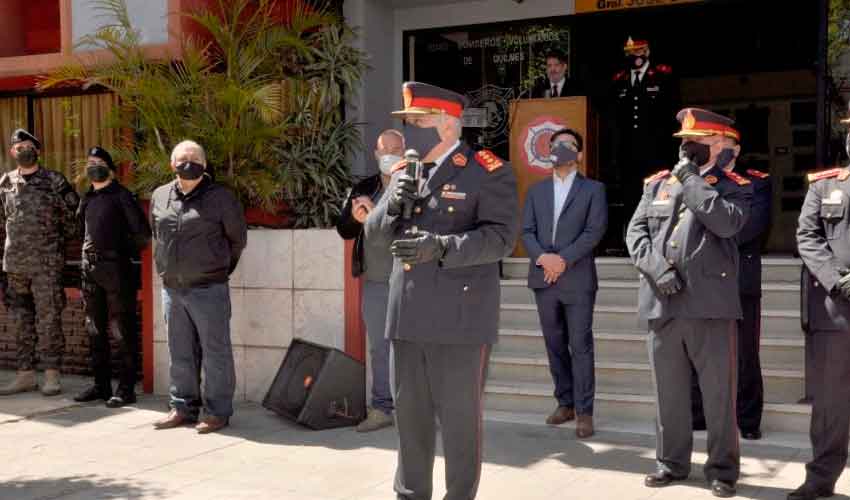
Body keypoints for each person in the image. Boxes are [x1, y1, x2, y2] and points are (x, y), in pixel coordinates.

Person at [365, 82, 519, 500]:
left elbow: (502, 238)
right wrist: (392, 205)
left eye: (419, 122)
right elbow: (374, 239)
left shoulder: (489, 171)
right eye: (409, 122)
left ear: (449, 126)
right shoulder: (403, 174)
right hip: (408, 318)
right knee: (410, 421)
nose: (410, 131)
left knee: (459, 424)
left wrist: (443, 247)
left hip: (460, 320)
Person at [626, 108, 752, 498]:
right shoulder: (657, 184)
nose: (684, 147)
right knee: (669, 393)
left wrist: (691, 179)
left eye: (692, 141)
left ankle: (722, 470)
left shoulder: (734, 185)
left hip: (709, 307)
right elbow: (635, 233)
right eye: (682, 141)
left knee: (717, 396)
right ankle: (671, 463)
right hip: (662, 304)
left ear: (715, 143)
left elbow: (726, 223)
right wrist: (657, 271)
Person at [150, 140, 247, 434]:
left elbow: (237, 240)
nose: (187, 162)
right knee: (180, 351)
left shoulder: (222, 198)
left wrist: (216, 269)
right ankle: (182, 407)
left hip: (209, 289)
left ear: (204, 165)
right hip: (172, 289)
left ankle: (217, 412)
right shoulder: (160, 195)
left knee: (215, 352)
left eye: (194, 158)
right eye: (182, 158)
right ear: (172, 164)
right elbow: (157, 234)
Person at [521, 128, 607, 437]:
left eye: (569, 146)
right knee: (554, 343)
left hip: (577, 278)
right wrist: (544, 259)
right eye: (557, 145)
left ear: (579, 154)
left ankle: (584, 411)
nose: (562, 149)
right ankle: (565, 402)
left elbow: (594, 231)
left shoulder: (594, 190)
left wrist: (563, 260)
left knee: (580, 345)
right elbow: (527, 231)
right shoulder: (536, 191)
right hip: (544, 277)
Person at [691, 137, 773, 440]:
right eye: (712, 143)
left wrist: (705, 246)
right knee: (696, 347)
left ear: (737, 149)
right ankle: (697, 413)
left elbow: (751, 226)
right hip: (700, 278)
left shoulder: (755, 182)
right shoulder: (699, 179)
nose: (717, 148)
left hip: (739, 277)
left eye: (724, 143)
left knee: (744, 351)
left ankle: (748, 418)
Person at [791, 114, 850, 500]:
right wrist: (838, 279)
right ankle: (821, 478)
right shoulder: (825, 185)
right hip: (836, 308)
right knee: (830, 403)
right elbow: (807, 236)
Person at [0, 129, 79, 397]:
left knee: (48, 319)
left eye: (28, 145)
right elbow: (4, 221)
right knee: (21, 319)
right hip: (15, 265)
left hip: (46, 264)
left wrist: (52, 244)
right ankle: (25, 374)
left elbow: (72, 220)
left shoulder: (54, 181)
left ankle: (51, 374)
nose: (23, 149)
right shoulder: (5, 182)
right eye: (18, 146)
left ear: (38, 150)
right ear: (12, 152)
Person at [336, 129, 405, 432]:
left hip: (411, 280)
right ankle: (381, 408)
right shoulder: (363, 186)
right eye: (383, 149)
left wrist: (375, 215)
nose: (388, 153)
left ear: (405, 151)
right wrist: (355, 216)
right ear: (376, 154)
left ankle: (417, 410)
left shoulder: (417, 184)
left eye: (395, 148)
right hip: (375, 281)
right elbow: (345, 229)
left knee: (416, 347)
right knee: (379, 346)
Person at [73, 147, 151, 408]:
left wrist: (117, 252)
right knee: (94, 328)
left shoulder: (122, 196)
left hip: (116, 270)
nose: (92, 166)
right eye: (89, 162)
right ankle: (101, 385)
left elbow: (141, 235)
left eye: (98, 162)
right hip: (89, 270)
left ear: (110, 168)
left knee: (121, 330)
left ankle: (126, 388)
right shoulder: (87, 197)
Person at [606, 36, 677, 254]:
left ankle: (658, 242)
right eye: (631, 52)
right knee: (631, 198)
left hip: (656, 152)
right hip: (628, 153)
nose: (635, 56)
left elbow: (671, 114)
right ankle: (633, 242)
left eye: (639, 50)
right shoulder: (619, 79)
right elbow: (615, 119)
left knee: (658, 196)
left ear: (647, 51)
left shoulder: (663, 75)